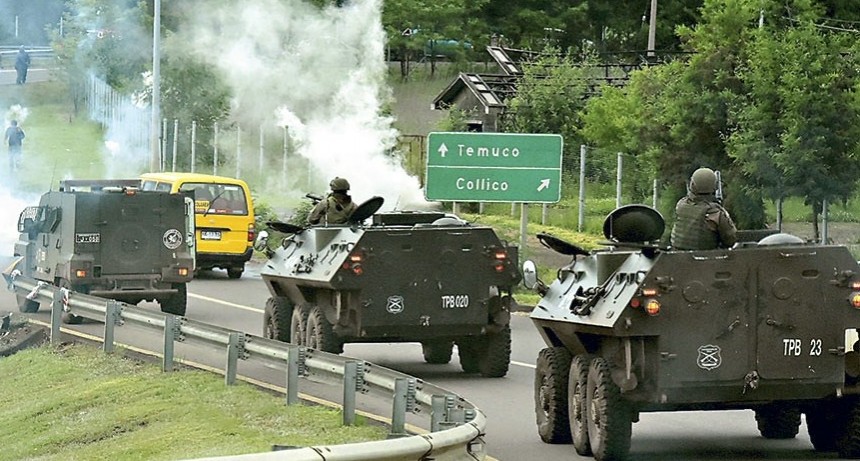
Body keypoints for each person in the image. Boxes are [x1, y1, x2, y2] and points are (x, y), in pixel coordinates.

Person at [670, 167, 737, 250]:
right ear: (714, 186)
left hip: (677, 255)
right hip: (705, 258)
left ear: (692, 185)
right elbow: (730, 240)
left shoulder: (681, 204)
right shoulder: (714, 212)